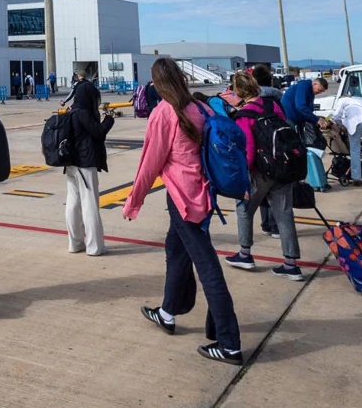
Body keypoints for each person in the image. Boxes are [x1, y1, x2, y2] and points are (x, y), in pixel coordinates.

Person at [123, 58, 243, 367]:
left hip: (184, 200)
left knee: (208, 269)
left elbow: (150, 161)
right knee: (175, 250)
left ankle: (229, 343)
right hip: (203, 194)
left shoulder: (165, 112)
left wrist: (134, 200)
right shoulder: (200, 108)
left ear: (158, 83)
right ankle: (167, 312)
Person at [226, 68, 301, 280]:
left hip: (260, 171)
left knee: (244, 209)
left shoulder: (244, 114)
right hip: (283, 167)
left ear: (239, 91)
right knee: (285, 214)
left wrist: (244, 174)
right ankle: (291, 264)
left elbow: (248, 149)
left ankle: (245, 254)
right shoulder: (273, 105)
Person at [63, 71, 114, 256]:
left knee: (73, 203)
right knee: (90, 204)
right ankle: (94, 246)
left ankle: (75, 243)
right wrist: (109, 119)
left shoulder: (71, 111)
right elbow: (98, 132)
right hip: (85, 163)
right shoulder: (83, 114)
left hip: (71, 164)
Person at [322, 93, 362, 188]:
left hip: (355, 123)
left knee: (355, 150)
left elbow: (336, 115)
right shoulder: (360, 101)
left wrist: (328, 120)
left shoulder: (342, 100)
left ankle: (356, 179)